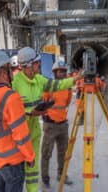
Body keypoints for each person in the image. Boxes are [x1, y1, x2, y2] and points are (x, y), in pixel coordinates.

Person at [12, 47, 83, 192]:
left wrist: (77, 78)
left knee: (33, 166)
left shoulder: (39, 79)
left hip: (34, 133)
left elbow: (57, 85)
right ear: (28, 65)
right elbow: (12, 112)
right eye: (37, 63)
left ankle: (32, 189)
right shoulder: (15, 83)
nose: (39, 66)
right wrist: (31, 113)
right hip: (19, 135)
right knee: (18, 170)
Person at [0, 50, 35, 192]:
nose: (12, 72)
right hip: (11, 161)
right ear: (3, 71)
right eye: (10, 68)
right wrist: (30, 156)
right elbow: (21, 134)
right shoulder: (11, 97)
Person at [41, 59, 73, 190]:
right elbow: (43, 104)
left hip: (63, 125)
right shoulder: (49, 86)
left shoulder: (68, 88)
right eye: (59, 71)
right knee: (46, 153)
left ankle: (61, 175)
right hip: (50, 125)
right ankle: (45, 178)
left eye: (64, 71)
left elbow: (66, 103)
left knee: (63, 153)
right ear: (54, 73)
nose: (62, 73)